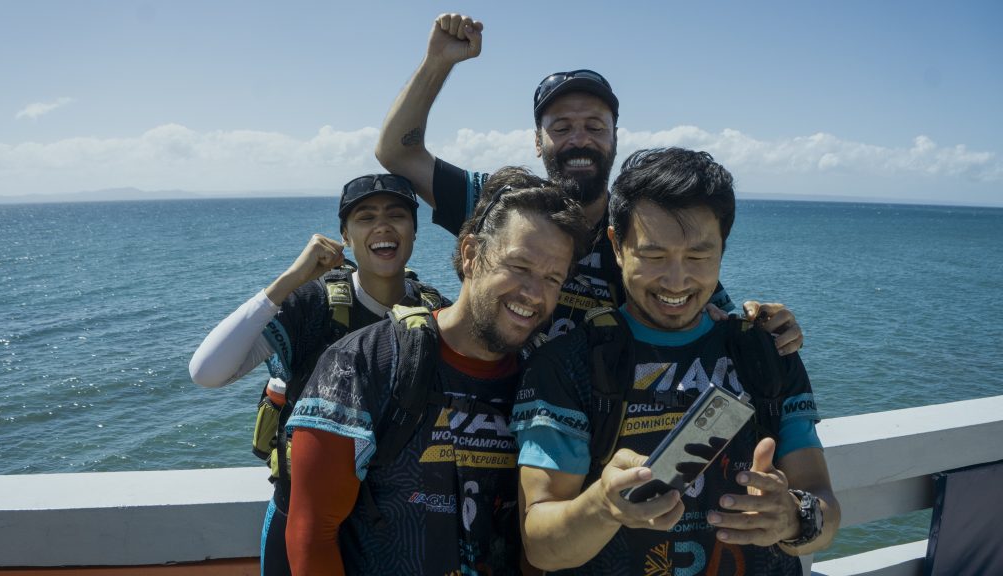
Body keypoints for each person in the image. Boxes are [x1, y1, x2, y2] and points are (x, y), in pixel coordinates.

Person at [375, 13, 803, 351]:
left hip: (593, 430)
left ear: (615, 138)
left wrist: (767, 324)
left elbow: (706, 302)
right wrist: (438, 62)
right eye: (561, 127)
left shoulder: (642, 228)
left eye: (595, 126)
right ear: (537, 143)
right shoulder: (502, 206)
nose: (579, 139)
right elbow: (397, 151)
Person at [509, 148, 840, 575]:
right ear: (617, 246)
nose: (677, 280)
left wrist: (795, 516)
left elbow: (825, 507)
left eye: (699, 256)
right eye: (654, 255)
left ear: (723, 247)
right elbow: (541, 545)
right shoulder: (567, 364)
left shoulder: (765, 353)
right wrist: (604, 506)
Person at [284, 168, 592, 575]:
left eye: (552, 278)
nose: (534, 294)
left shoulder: (545, 379)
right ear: (470, 254)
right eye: (519, 266)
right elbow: (313, 534)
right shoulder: (362, 363)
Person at [188, 174, 451, 576]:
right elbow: (207, 371)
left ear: (414, 231)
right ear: (345, 236)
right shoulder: (313, 306)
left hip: (394, 528)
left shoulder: (435, 315)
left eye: (397, 215)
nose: (382, 226)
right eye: (365, 217)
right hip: (301, 521)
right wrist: (290, 280)